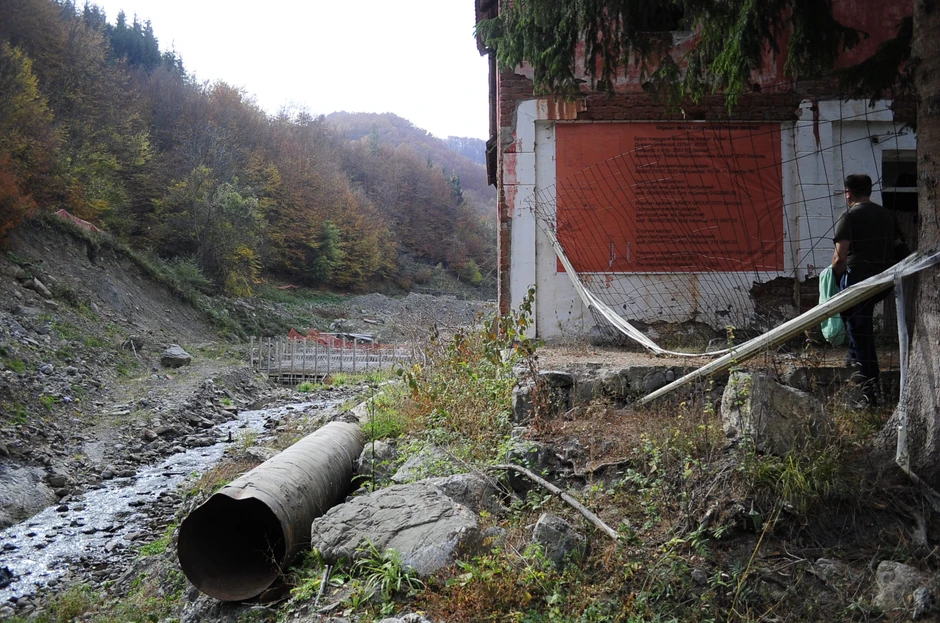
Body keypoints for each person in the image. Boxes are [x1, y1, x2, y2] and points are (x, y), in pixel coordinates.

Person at [831, 173, 906, 407]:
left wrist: (836, 280)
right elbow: (901, 249)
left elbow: (839, 258)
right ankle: (855, 359)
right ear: (870, 191)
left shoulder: (849, 217)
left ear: (848, 193)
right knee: (859, 325)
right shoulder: (888, 216)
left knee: (862, 334)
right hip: (882, 281)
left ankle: (869, 391)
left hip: (857, 280)